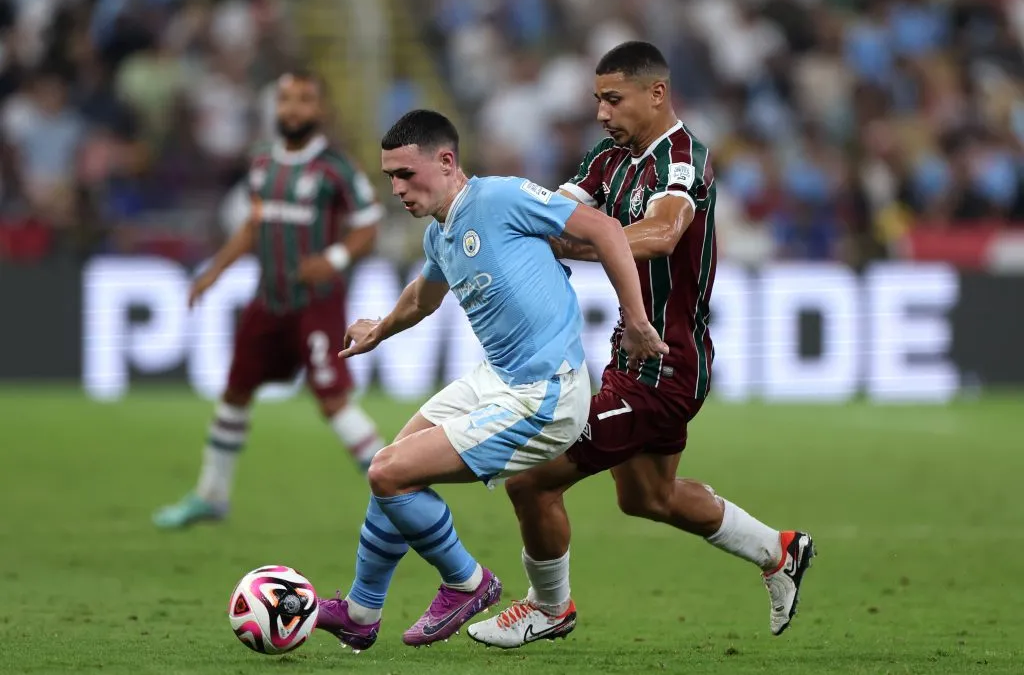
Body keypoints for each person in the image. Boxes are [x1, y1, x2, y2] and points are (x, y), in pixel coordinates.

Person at [467, 41, 815, 648]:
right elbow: (552, 212)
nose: (601, 113)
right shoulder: (609, 158)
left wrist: (580, 244)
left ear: (656, 94)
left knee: (532, 479)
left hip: (665, 366)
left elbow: (660, 233)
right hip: (631, 358)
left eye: (612, 99)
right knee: (647, 496)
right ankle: (778, 550)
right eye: (597, 99)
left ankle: (548, 608)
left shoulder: (684, 159)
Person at [314, 108, 667, 649]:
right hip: (496, 378)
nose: (397, 189)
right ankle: (361, 613)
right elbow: (423, 299)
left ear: (447, 161)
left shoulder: (499, 197)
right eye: (390, 178)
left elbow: (605, 230)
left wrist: (637, 321)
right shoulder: (441, 234)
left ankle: (467, 582)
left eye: (406, 174)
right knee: (394, 463)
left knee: (388, 473)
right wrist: (379, 330)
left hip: (543, 392)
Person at [153, 71, 387, 529]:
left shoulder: (337, 168)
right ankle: (211, 495)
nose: (293, 109)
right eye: (285, 100)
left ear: (319, 110)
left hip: (315, 303)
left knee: (333, 401)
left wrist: (334, 257)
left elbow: (368, 226)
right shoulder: (262, 162)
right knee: (235, 393)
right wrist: (214, 271)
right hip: (269, 300)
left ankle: (400, 490)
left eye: (303, 100)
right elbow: (254, 225)